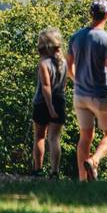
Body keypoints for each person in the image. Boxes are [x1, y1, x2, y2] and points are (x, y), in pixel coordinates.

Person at [66, 0, 107, 181]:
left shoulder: (75, 37)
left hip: (80, 95)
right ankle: (95, 160)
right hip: (102, 94)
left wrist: (78, 80)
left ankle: (83, 181)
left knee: (85, 137)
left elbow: (68, 68)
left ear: (90, 15)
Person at [31, 26, 67, 177]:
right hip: (60, 101)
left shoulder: (43, 63)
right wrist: (55, 107)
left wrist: (50, 107)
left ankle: (38, 169)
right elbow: (63, 85)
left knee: (39, 136)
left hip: (42, 103)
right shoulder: (63, 62)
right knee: (54, 138)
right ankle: (54, 171)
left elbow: (46, 87)